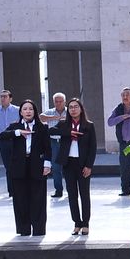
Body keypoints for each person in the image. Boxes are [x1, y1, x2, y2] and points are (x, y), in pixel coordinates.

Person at [3, 100, 53, 238]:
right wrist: (17, 133)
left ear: (35, 111)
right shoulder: (15, 127)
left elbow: (47, 148)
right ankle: (24, 228)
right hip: (19, 166)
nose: (28, 111)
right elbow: (2, 137)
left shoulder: (42, 127)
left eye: (31, 109)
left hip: (37, 164)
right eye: (25, 109)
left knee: (38, 198)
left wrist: (47, 164)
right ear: (21, 112)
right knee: (20, 198)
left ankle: (38, 228)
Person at [54, 97, 97, 236]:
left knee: (84, 194)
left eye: (76, 107)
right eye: (71, 107)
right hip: (68, 163)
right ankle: (76, 223)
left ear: (81, 109)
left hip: (83, 164)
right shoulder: (63, 124)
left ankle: (86, 223)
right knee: (72, 195)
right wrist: (68, 133)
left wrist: (89, 166)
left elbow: (93, 147)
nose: (73, 109)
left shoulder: (89, 125)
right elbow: (50, 132)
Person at [41, 92, 66, 199]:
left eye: (60, 101)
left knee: (68, 166)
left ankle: (72, 190)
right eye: (56, 101)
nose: (58, 103)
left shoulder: (69, 111)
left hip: (66, 141)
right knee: (56, 167)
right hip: (53, 142)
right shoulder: (50, 111)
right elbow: (40, 117)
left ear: (64, 102)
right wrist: (54, 118)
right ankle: (58, 190)